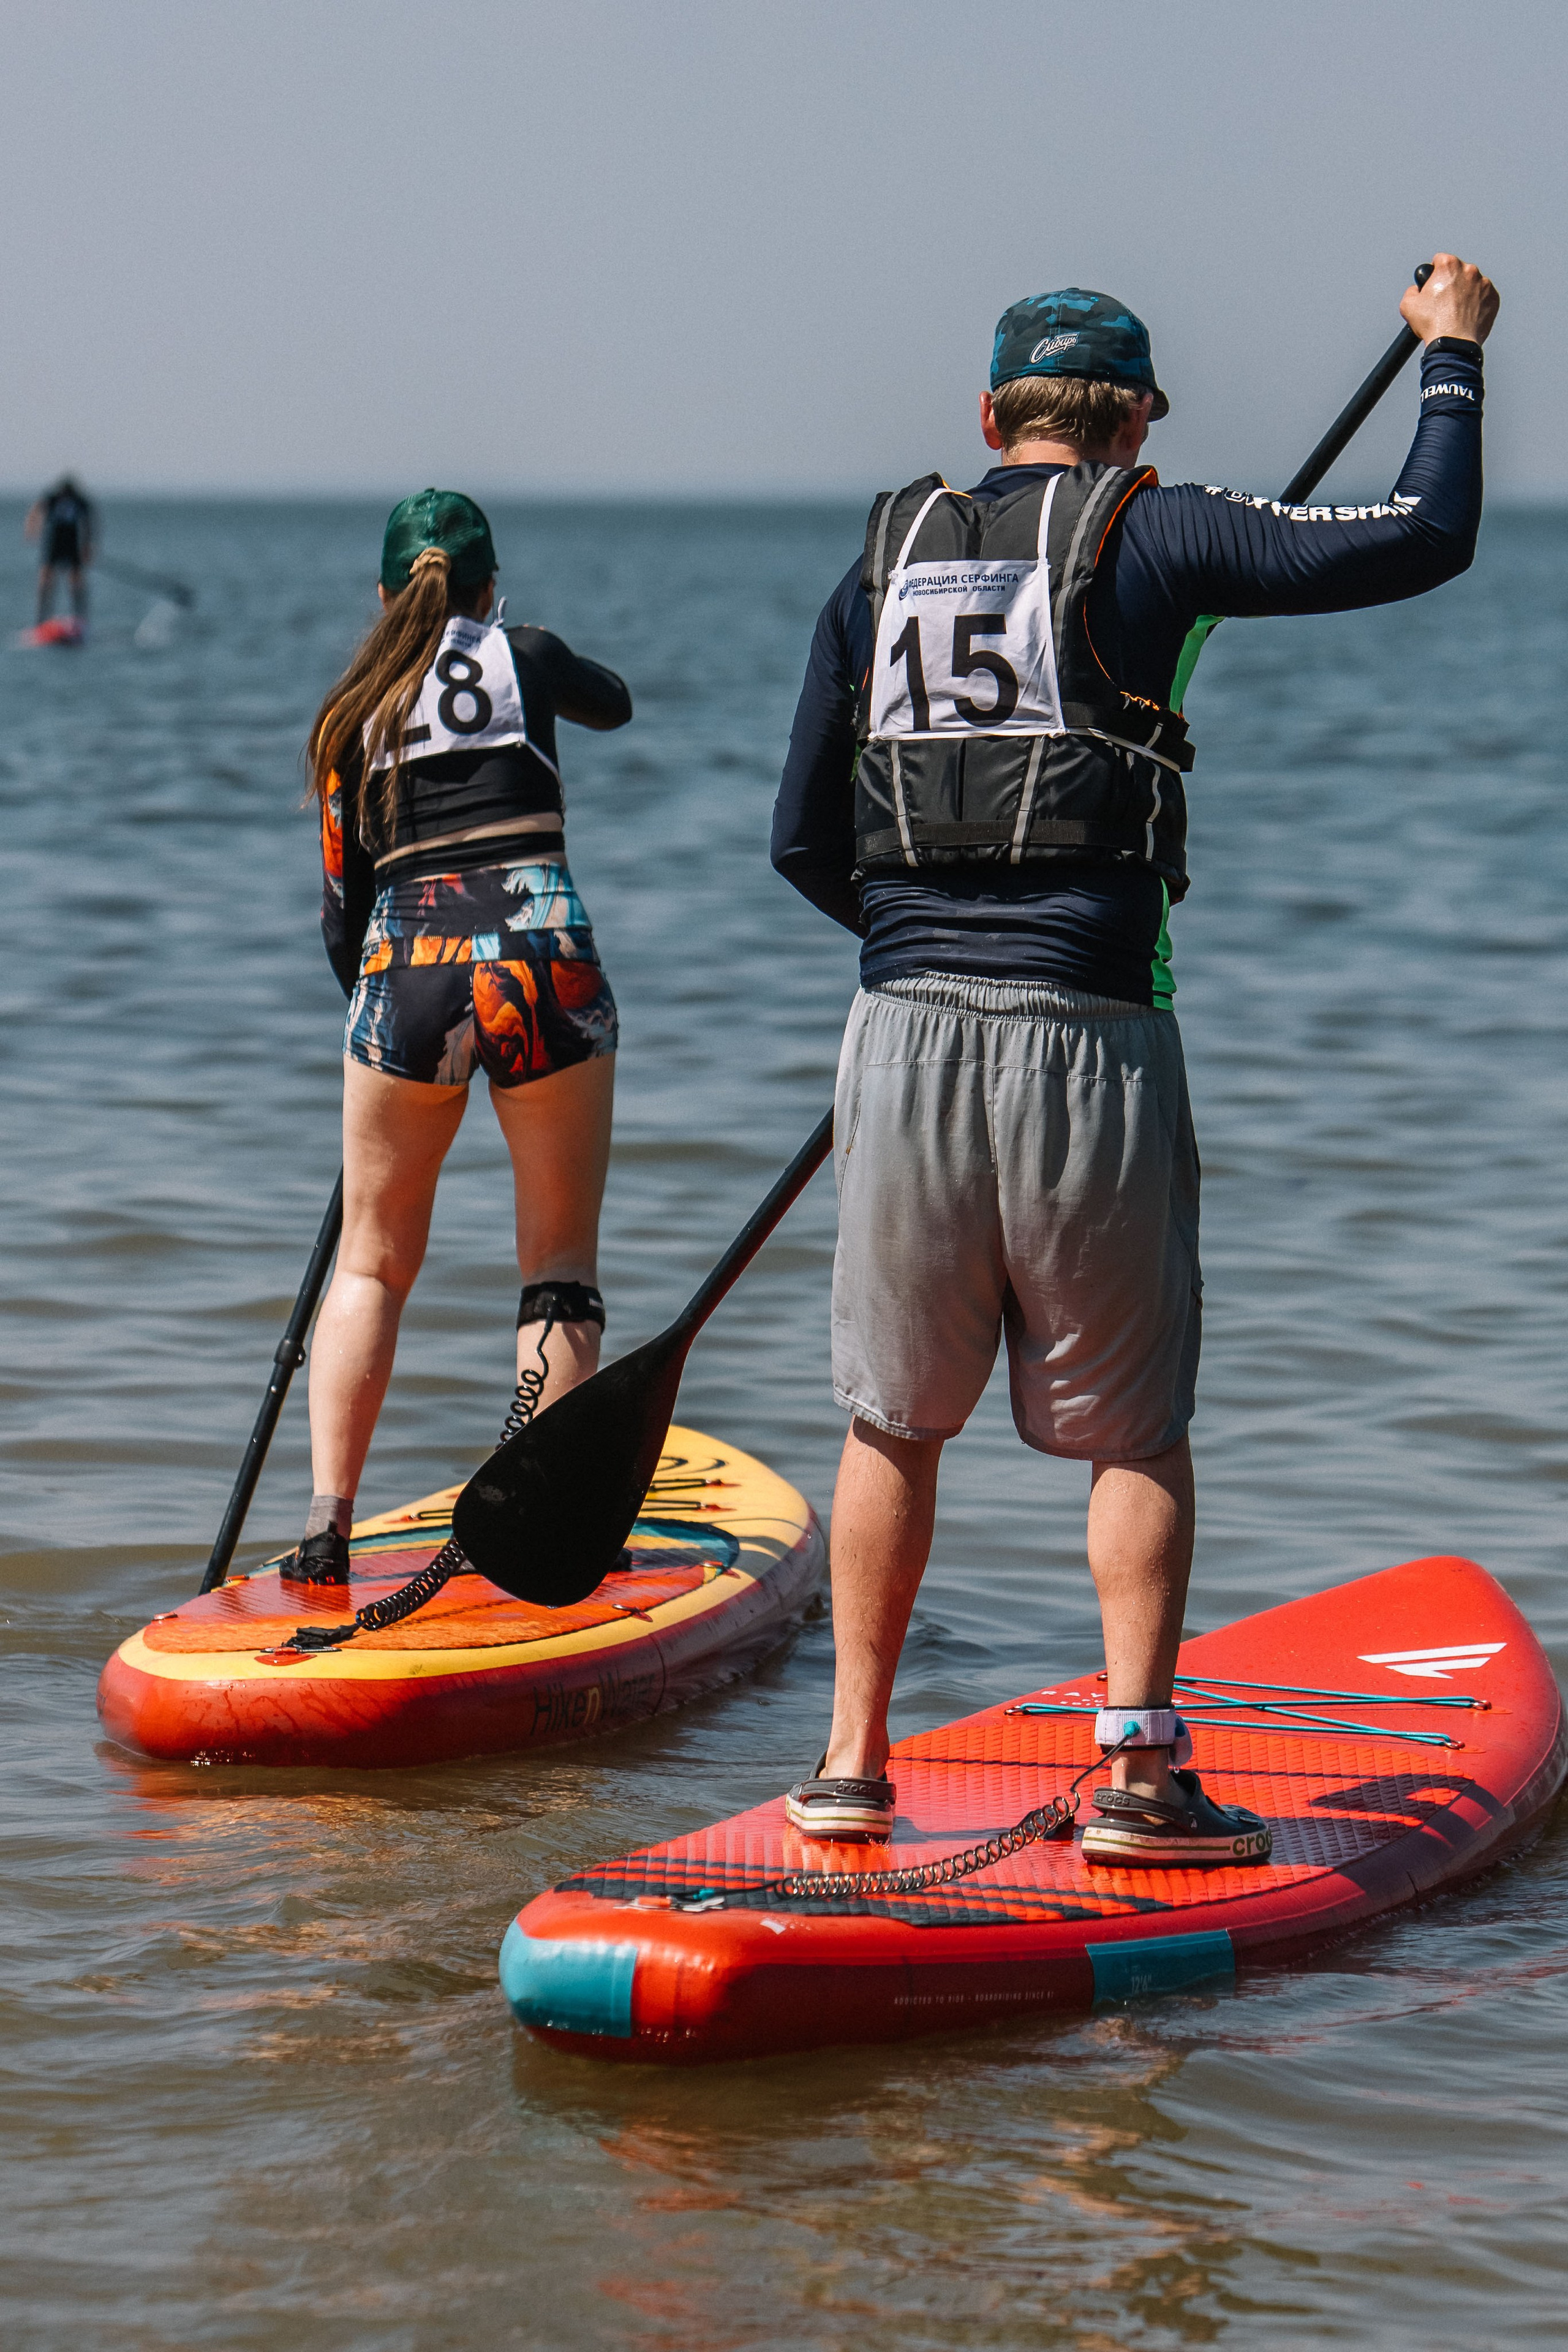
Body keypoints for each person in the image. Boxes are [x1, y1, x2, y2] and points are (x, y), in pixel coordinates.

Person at [771, 255, 1497, 1861]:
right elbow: (1422, 535)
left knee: (893, 1422)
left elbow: (804, 840)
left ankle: (846, 1769)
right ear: (1134, 426)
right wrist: (1449, 358)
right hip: (1091, 1033)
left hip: (893, 1039)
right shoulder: (1154, 530)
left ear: (988, 418)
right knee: (1136, 1427)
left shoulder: (879, 562)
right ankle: (1142, 1782)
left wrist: (921, 964)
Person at [293, 489, 632, 1582]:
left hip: (408, 970)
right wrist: (520, 645)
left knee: (374, 1264)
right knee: (558, 1267)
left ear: (384, 596)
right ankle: (543, 1528)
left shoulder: (352, 715)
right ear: (492, 585)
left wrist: (382, 1032)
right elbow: (615, 704)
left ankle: (327, 1528)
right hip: (543, 954)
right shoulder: (523, 652)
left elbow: (342, 917)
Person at [24, 476, 94, 626]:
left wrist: (88, 546)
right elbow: (36, 510)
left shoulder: (80, 502)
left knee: (76, 581)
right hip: (54, 544)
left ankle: (80, 619)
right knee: (46, 580)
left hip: (73, 545)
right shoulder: (52, 499)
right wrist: (31, 529)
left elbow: (88, 523)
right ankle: (41, 620)